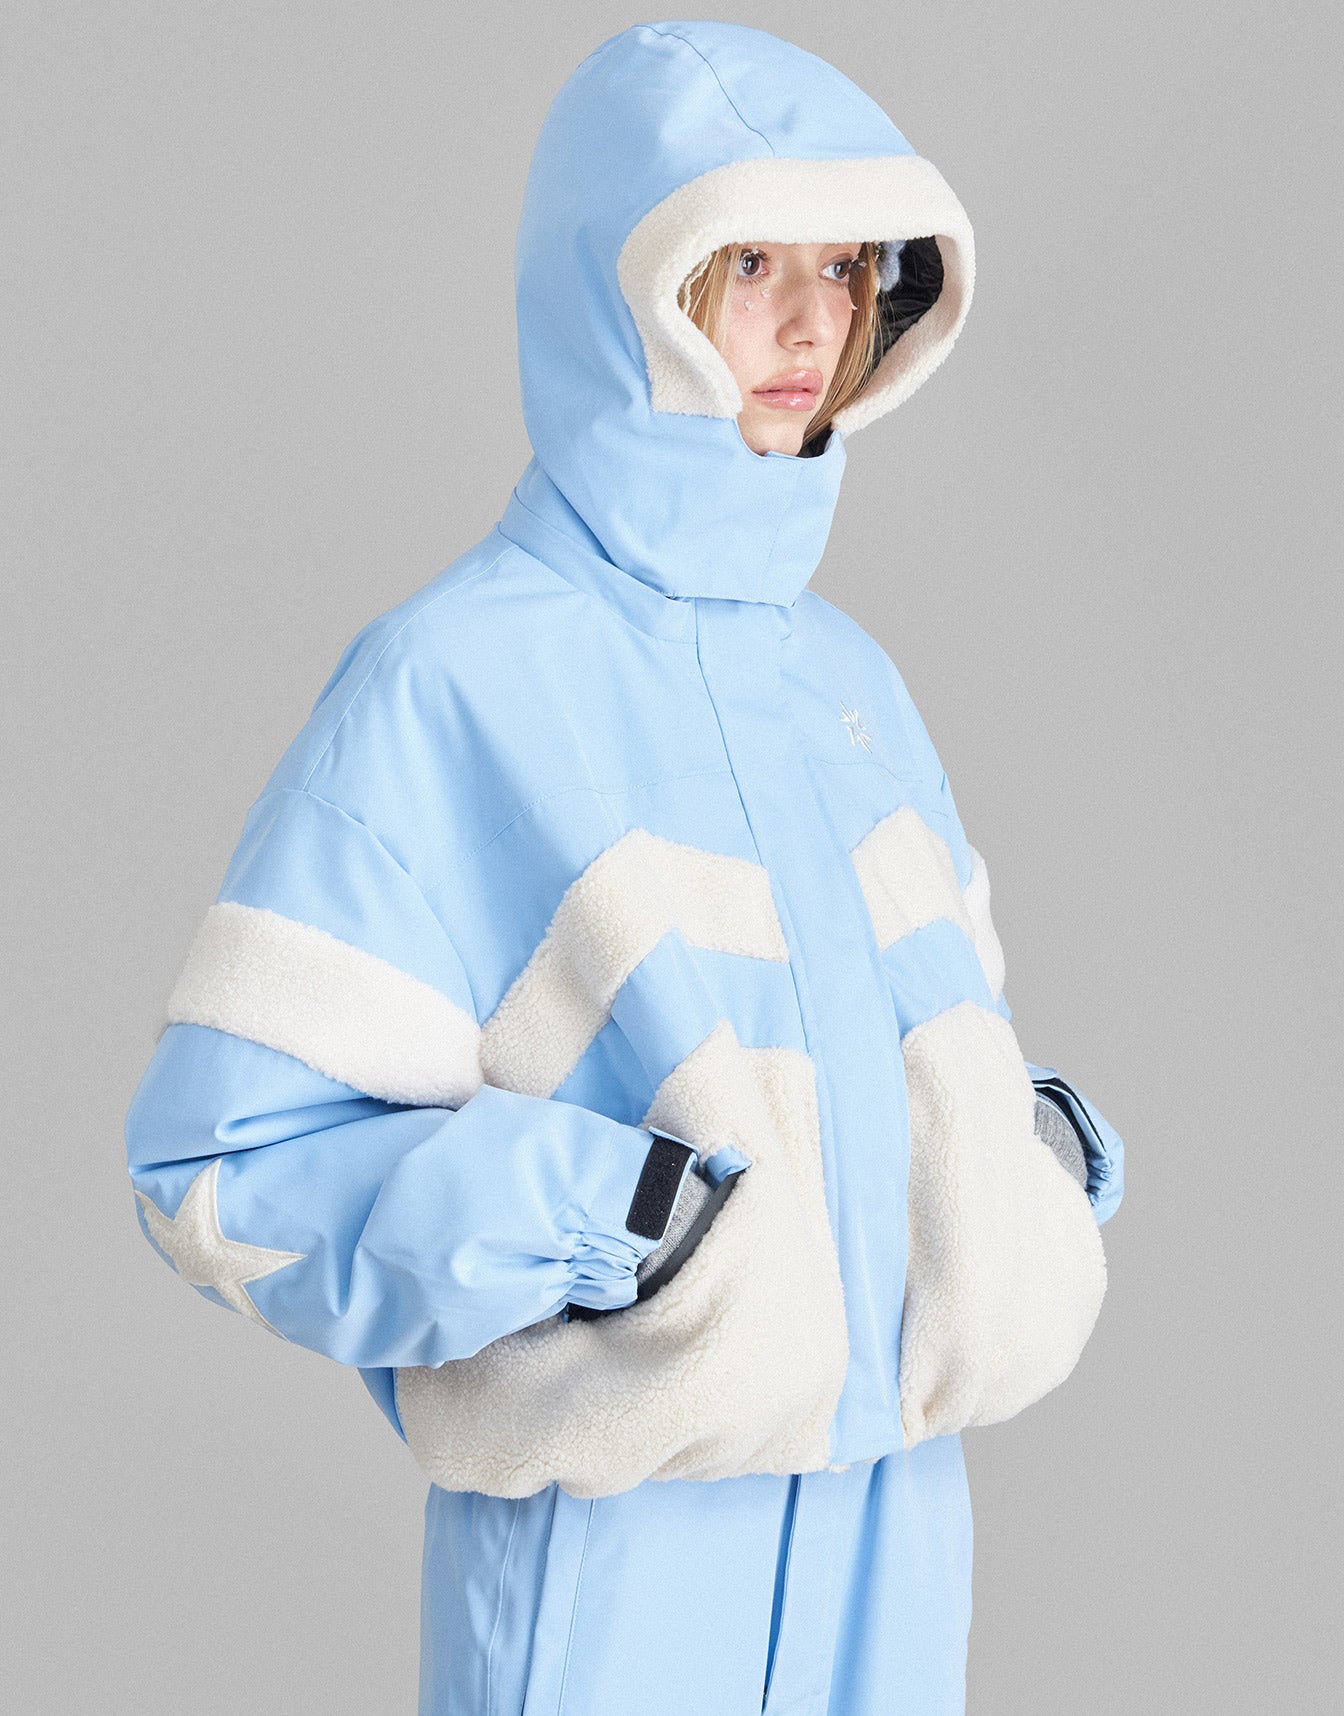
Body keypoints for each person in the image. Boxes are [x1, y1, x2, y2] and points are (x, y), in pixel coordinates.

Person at [124, 20, 1124, 1715]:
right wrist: (624, 1225)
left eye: (845, 268)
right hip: (619, 1558)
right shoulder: (454, 681)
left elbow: (935, 1052)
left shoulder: (850, 687)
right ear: (630, 287)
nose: (811, 323)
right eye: (752, 266)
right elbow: (217, 1165)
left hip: (898, 1531)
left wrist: (1027, 1168)